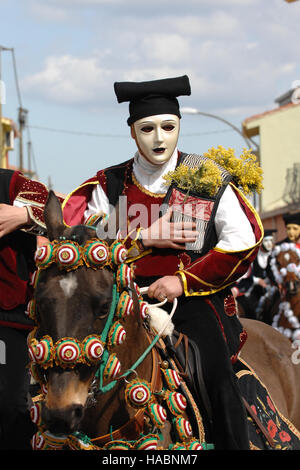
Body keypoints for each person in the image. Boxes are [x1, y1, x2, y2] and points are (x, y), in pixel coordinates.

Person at [62, 75, 263, 450]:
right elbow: (83, 243)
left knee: (217, 375)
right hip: (118, 303)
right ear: (133, 134)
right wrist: (141, 238)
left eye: (168, 127)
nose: (159, 138)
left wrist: (181, 282)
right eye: (148, 129)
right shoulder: (109, 184)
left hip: (191, 302)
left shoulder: (205, 177)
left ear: (179, 128)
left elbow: (242, 241)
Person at [0, 168, 50, 450]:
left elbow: (60, 209)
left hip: (6, 321)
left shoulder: (9, 183)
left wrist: (24, 216)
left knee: (8, 402)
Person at [233, 229, 277, 321]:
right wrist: (258, 281)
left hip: (272, 286)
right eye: (266, 241)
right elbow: (249, 275)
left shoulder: (275, 255)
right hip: (254, 288)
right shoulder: (254, 255)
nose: (269, 244)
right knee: (252, 307)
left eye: (271, 241)